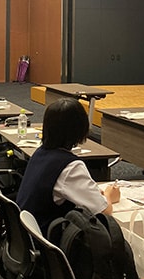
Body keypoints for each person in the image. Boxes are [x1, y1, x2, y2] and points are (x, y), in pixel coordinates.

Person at [16, 98, 121, 233]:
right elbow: (104, 211)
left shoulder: (40, 152)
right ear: (81, 128)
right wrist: (109, 195)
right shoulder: (70, 166)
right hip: (46, 240)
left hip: (26, 233)